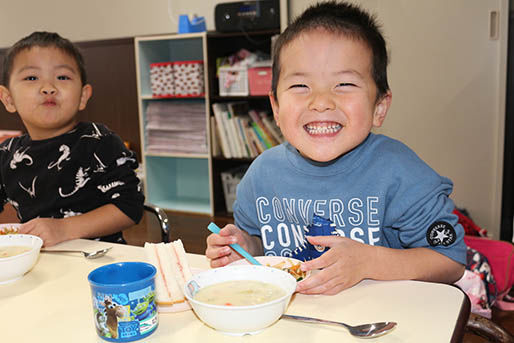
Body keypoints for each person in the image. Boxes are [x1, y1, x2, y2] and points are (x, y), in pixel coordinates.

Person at [205, 1, 466, 295]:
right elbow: (261, 242)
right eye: (300, 86)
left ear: (379, 106)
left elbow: (450, 260)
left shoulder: (400, 173)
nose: (321, 101)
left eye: (344, 84)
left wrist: (369, 261)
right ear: (276, 107)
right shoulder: (262, 175)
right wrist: (244, 247)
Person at [0, 31, 144, 246]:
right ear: (8, 99)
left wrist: (64, 229)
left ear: (83, 96)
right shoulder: (6, 153)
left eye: (62, 77)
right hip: (37, 264)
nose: (48, 87)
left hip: (98, 264)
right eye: (31, 78)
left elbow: (130, 207)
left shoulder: (98, 140)